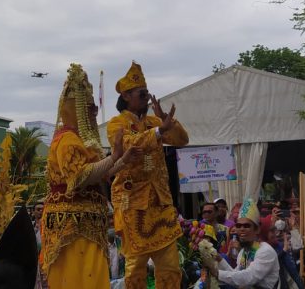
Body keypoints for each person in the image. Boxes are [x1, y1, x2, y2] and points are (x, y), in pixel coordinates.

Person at [41, 63, 140, 289]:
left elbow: (99, 175)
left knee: (94, 279)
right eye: (90, 109)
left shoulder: (81, 142)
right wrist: (114, 156)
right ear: (76, 109)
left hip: (88, 224)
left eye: (95, 109)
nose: (94, 114)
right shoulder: (66, 139)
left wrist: (122, 159)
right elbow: (80, 177)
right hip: (72, 226)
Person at [107, 61, 189, 289]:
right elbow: (126, 146)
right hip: (134, 205)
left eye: (147, 93)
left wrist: (168, 124)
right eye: (142, 94)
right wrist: (159, 131)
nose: (147, 97)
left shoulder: (155, 121)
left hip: (161, 203)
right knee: (135, 269)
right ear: (126, 96)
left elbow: (182, 140)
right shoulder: (117, 124)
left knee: (171, 266)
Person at [205, 198, 280, 289]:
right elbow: (236, 274)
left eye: (246, 226)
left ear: (257, 229)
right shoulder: (245, 251)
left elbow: (248, 277)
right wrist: (219, 259)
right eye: (238, 226)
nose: (241, 229)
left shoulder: (265, 251)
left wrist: (217, 273)